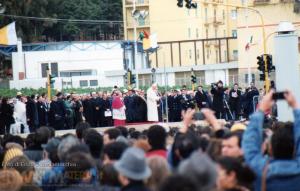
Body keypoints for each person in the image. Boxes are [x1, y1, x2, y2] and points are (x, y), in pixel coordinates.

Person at [242, 90, 300, 191]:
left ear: (270, 148)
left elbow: (249, 143)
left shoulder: (259, 168)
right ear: (295, 148)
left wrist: (261, 109)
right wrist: (295, 107)